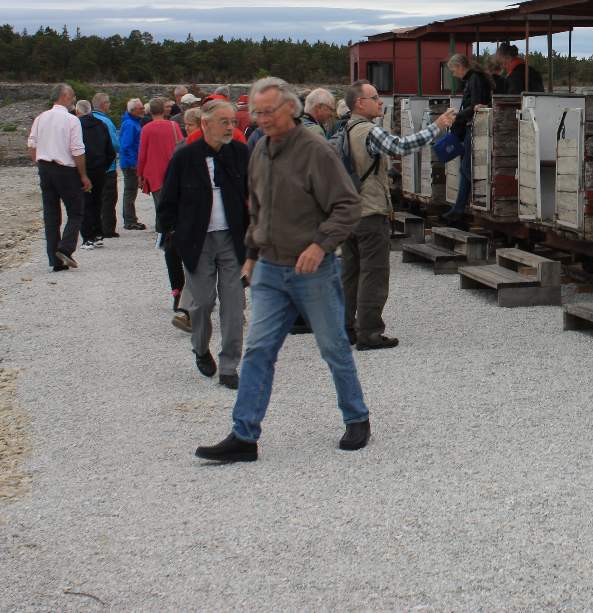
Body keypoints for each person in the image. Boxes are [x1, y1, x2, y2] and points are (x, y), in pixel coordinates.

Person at [195, 77, 368, 463]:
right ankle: (244, 435)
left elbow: (348, 205)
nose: (261, 119)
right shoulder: (259, 149)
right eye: (257, 112)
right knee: (258, 350)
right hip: (270, 271)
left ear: (291, 108)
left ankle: (357, 417)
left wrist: (320, 245)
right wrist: (252, 251)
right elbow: (258, 206)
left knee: (333, 347)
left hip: (312, 271)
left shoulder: (316, 151)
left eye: (268, 111)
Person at [340, 80, 455, 348]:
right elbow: (402, 146)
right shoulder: (369, 130)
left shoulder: (344, 128)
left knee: (350, 274)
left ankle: (345, 329)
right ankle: (369, 333)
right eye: (375, 97)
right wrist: (436, 126)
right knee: (374, 274)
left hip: (348, 213)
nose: (380, 102)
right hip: (370, 213)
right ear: (360, 103)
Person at [157, 101, 250, 389]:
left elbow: (255, 192)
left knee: (234, 305)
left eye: (232, 122)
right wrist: (171, 235)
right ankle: (200, 347)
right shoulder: (185, 157)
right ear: (206, 124)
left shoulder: (240, 154)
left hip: (232, 239)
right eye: (224, 122)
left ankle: (229, 365)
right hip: (198, 240)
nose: (230, 127)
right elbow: (168, 200)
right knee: (202, 303)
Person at [138, 98, 189, 326]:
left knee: (162, 207)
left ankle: (165, 234)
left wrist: (140, 174)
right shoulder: (174, 125)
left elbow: (143, 153)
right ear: (165, 111)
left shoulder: (147, 128)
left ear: (150, 112)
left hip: (155, 173)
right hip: (173, 172)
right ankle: (168, 233)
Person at [27, 84, 89, 272]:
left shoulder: (40, 118)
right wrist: (83, 175)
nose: (74, 99)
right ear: (65, 96)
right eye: (72, 96)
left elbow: (32, 145)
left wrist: (40, 163)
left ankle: (55, 261)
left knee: (51, 214)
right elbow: (77, 151)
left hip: (45, 168)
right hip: (65, 170)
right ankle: (65, 248)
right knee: (76, 211)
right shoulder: (72, 120)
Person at [444, 52, 493, 223]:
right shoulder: (474, 78)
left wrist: (458, 115)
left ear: (459, 67)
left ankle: (459, 208)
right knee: (466, 168)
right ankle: (460, 207)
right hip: (472, 126)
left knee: (466, 168)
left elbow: (476, 106)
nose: (453, 74)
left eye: (453, 70)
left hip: (474, 127)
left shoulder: (474, 79)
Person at [74, 100, 116, 250]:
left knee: (85, 202)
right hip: (100, 169)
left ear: (78, 112)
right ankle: (98, 234)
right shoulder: (101, 125)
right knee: (98, 202)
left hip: (83, 169)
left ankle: (87, 237)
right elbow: (110, 150)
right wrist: (104, 167)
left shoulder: (76, 125)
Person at [91, 93, 122, 239]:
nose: (110, 105)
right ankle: (108, 228)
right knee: (109, 198)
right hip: (108, 167)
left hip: (91, 166)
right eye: (108, 103)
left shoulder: (85, 119)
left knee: (94, 198)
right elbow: (115, 144)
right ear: (104, 104)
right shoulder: (106, 122)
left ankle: (94, 226)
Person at [118, 98, 148, 230]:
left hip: (131, 162)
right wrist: (134, 163)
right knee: (130, 191)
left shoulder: (133, 122)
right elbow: (126, 146)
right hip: (130, 163)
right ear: (133, 110)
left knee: (131, 191)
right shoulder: (130, 124)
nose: (143, 110)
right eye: (140, 108)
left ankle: (130, 219)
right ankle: (129, 220)